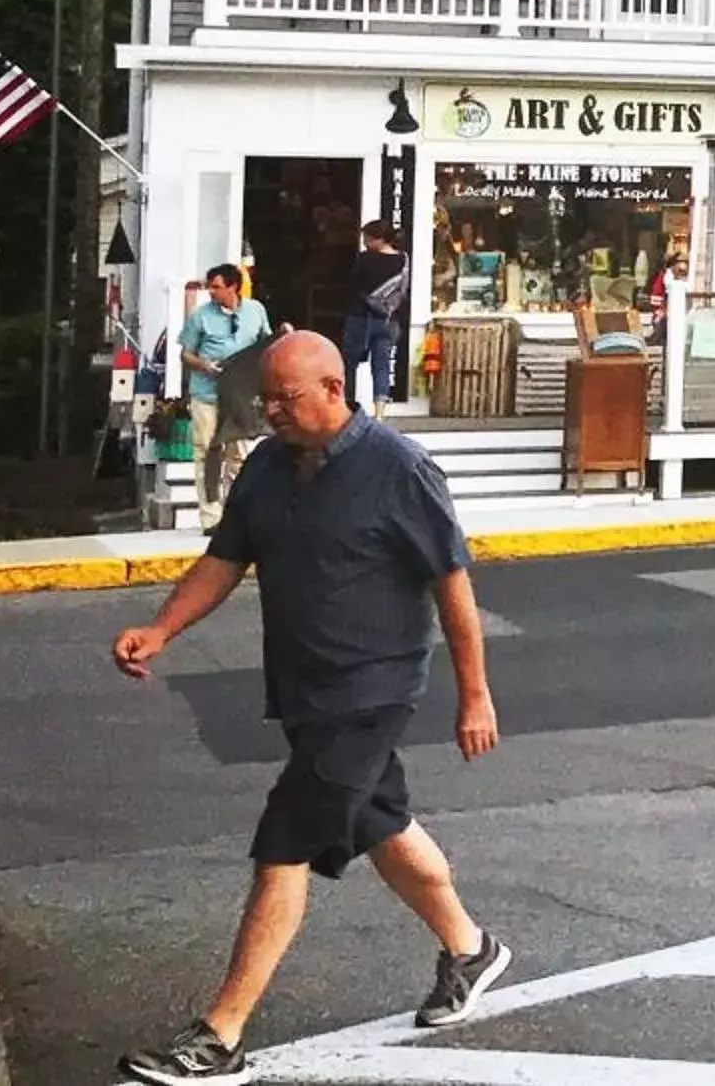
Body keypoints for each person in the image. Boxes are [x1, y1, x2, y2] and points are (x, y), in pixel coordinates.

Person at [110, 331, 509, 1085]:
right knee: (379, 821)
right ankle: (470, 948)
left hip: (372, 691)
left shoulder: (398, 468)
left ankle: (219, 1038)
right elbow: (225, 559)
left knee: (285, 844)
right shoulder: (266, 467)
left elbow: (451, 584)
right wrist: (160, 629)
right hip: (304, 691)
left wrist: (475, 694)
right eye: (265, 399)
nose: (270, 412)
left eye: (284, 399)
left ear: (333, 390)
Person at [178, 266, 274, 527]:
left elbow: (265, 345)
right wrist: (204, 365)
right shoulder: (201, 316)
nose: (211, 291)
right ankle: (210, 518)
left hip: (240, 396)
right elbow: (185, 354)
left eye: (217, 286)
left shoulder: (255, 311)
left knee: (238, 456)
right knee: (208, 452)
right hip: (207, 393)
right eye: (210, 286)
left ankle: (236, 515)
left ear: (233, 287)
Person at [343, 223, 410, 413]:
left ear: (378, 239)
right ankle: (379, 413)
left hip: (361, 317)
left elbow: (353, 285)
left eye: (367, 238)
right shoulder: (403, 259)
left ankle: (348, 407)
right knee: (381, 366)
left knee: (349, 364)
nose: (364, 243)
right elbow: (403, 292)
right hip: (388, 320)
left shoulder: (364, 259)